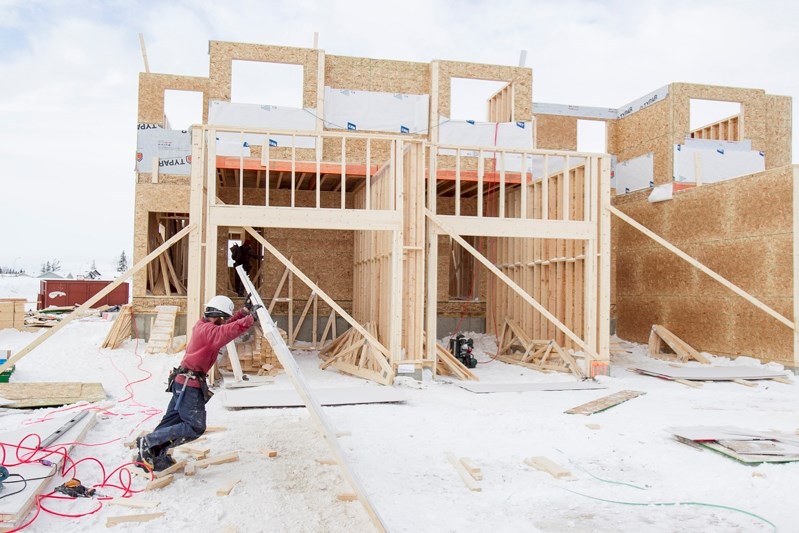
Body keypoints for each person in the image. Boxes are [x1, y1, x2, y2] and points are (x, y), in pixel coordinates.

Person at [136, 294, 260, 471]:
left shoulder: (204, 326)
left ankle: (152, 454)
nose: (224, 321)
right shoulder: (209, 331)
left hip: (183, 382)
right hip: (190, 385)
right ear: (218, 316)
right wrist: (250, 319)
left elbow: (224, 327)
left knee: (170, 422)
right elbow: (226, 331)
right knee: (195, 426)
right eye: (223, 318)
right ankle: (148, 442)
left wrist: (243, 313)